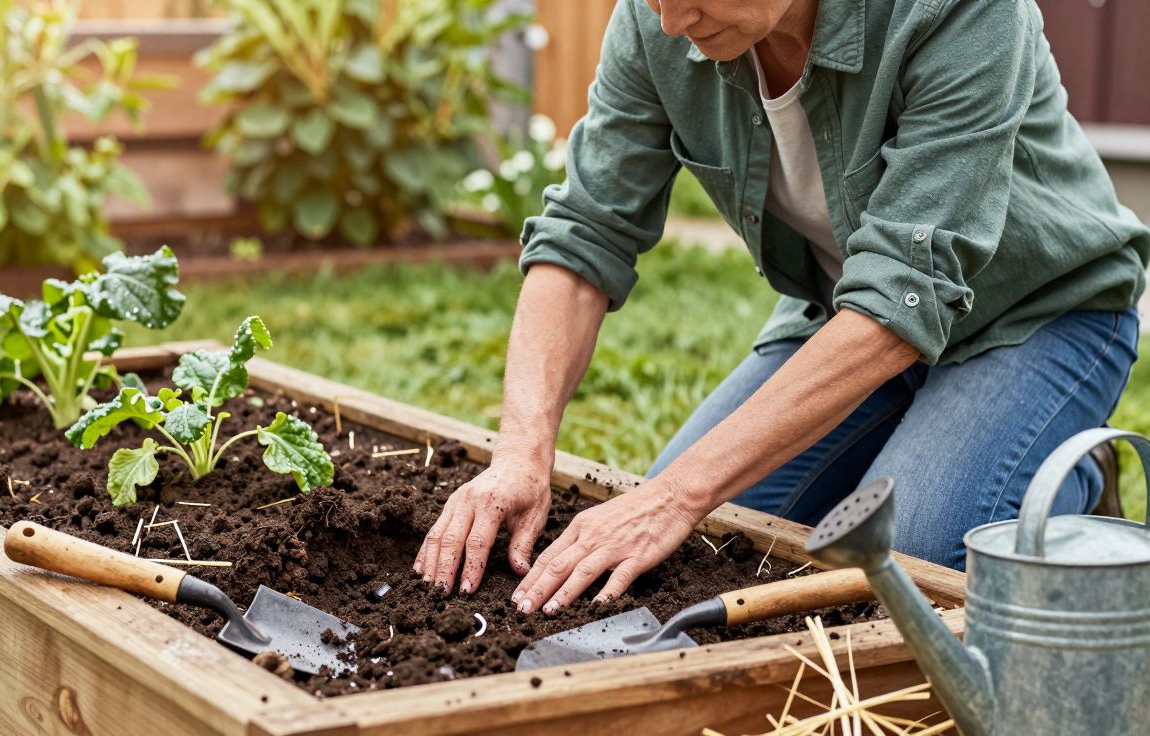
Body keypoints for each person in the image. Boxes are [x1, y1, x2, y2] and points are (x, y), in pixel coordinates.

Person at [414, 0, 1149, 616]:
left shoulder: (958, 9)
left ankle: (1063, 496)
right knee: (702, 547)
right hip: (844, 318)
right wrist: (520, 452)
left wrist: (676, 494)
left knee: (909, 567)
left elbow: (903, 291)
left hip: (1038, 314)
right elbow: (584, 236)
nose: (670, 21)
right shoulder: (654, 20)